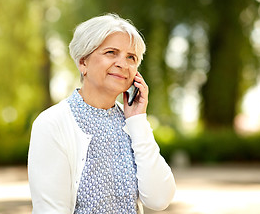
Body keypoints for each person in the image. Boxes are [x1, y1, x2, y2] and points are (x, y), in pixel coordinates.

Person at [28, 13, 176, 214]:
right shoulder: (52, 124)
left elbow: (159, 199)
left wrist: (138, 120)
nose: (123, 64)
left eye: (131, 57)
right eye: (111, 52)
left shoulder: (131, 123)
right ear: (83, 63)